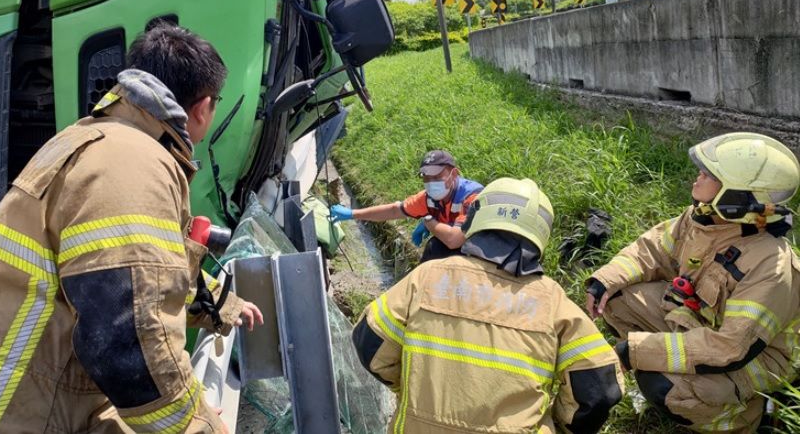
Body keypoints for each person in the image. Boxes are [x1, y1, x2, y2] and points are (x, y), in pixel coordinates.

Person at [0, 23, 263, 433]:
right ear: (203, 107)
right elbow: (131, 346)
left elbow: (141, 273)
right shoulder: (133, 165)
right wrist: (200, 425)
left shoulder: (99, 139)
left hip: (12, 391)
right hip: (12, 412)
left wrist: (222, 304)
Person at [353, 177, 624, 433]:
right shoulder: (553, 302)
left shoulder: (427, 277)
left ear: (476, 218)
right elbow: (599, 386)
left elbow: (369, 341)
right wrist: (557, 424)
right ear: (541, 234)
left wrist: (412, 391)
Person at [585, 132, 800, 433]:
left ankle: (749, 417)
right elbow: (653, 250)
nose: (698, 176)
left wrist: (633, 351)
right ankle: (671, 370)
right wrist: (604, 281)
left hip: (755, 359)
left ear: (736, 196)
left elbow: (729, 348)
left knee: (666, 388)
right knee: (617, 300)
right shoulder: (705, 218)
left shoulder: (770, 265)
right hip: (700, 322)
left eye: (709, 174)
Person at [329, 149, 483, 262]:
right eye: (426, 178)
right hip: (459, 248)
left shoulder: (471, 196)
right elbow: (394, 211)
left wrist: (429, 222)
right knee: (434, 248)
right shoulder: (429, 198)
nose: (431, 183)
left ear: (453, 174)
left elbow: (453, 239)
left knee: (436, 246)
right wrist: (353, 214)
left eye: (437, 177)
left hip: (482, 256)